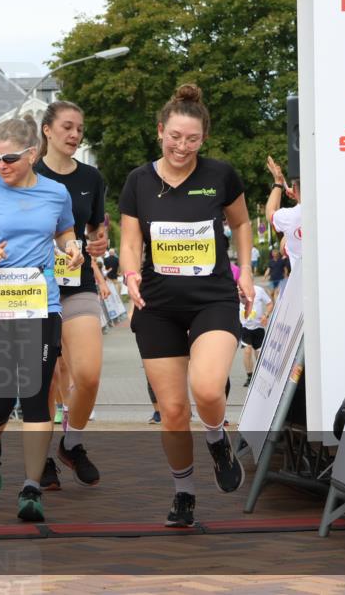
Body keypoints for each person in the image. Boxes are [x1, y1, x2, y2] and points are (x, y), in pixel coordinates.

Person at [119, 84, 253, 528]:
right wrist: (131, 275)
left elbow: (241, 223)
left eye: (192, 139)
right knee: (173, 411)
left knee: (210, 389)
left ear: (203, 140)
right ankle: (184, 493)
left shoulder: (220, 175)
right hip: (157, 306)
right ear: (161, 131)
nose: (182, 146)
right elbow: (131, 240)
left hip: (212, 299)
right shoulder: (139, 180)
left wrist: (246, 272)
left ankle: (216, 438)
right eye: (175, 136)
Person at [0, 117, 82, 523]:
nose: (0, 165)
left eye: (9, 158)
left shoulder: (56, 193)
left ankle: (30, 487)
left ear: (32, 154)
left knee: (35, 396)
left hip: (41, 304)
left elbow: (65, 234)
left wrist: (72, 249)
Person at [33, 101, 108, 489]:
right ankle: (42, 459)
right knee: (44, 379)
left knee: (89, 374)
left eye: (79, 128)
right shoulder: (28, 173)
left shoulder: (91, 178)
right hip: (32, 287)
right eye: (66, 127)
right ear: (47, 130)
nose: (74, 135)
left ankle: (72, 442)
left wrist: (98, 243)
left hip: (77, 284)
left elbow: (96, 230)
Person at [266, 155, 302, 273]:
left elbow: (270, 213)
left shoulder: (289, 217)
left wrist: (278, 183)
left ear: (295, 188)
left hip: (301, 285)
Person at [240, 284, 273, 387]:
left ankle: (258, 375)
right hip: (245, 327)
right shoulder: (238, 291)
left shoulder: (259, 290)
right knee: (247, 351)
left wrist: (266, 315)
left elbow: (270, 304)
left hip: (258, 327)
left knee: (258, 354)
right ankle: (249, 376)